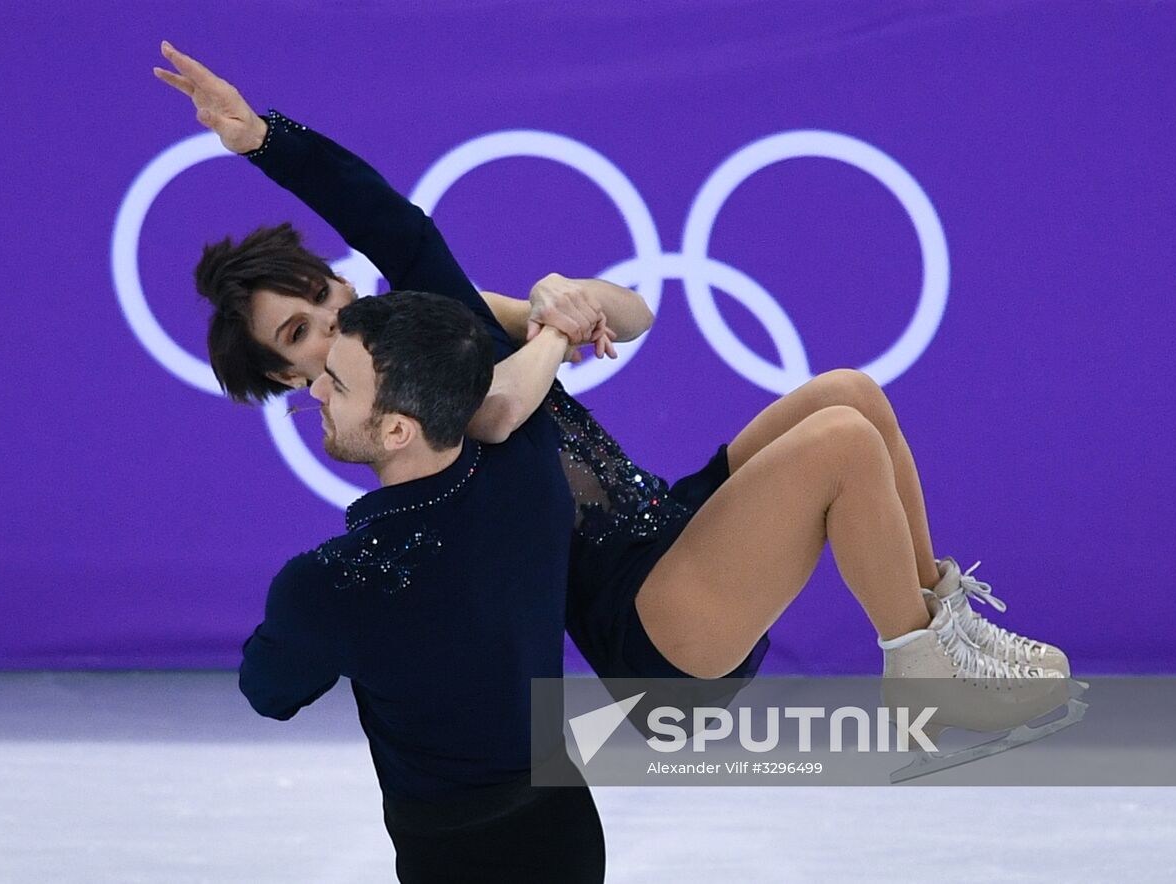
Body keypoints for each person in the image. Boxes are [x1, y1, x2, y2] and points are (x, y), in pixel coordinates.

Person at [155, 43, 1075, 758]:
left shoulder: (436, 327)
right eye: (301, 333)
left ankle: (942, 628)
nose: (332, 318)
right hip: (648, 629)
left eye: (321, 294)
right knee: (839, 441)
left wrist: (570, 294)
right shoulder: (402, 428)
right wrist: (552, 333)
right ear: (290, 377)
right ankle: (919, 667)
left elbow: (630, 313)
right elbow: (498, 408)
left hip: (664, 531)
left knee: (849, 393)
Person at [240, 288, 605, 882]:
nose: (316, 391)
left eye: (339, 385)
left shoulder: (331, 584)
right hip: (569, 833)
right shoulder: (531, 463)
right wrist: (558, 329)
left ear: (397, 432)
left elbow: (269, 692)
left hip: (452, 858)